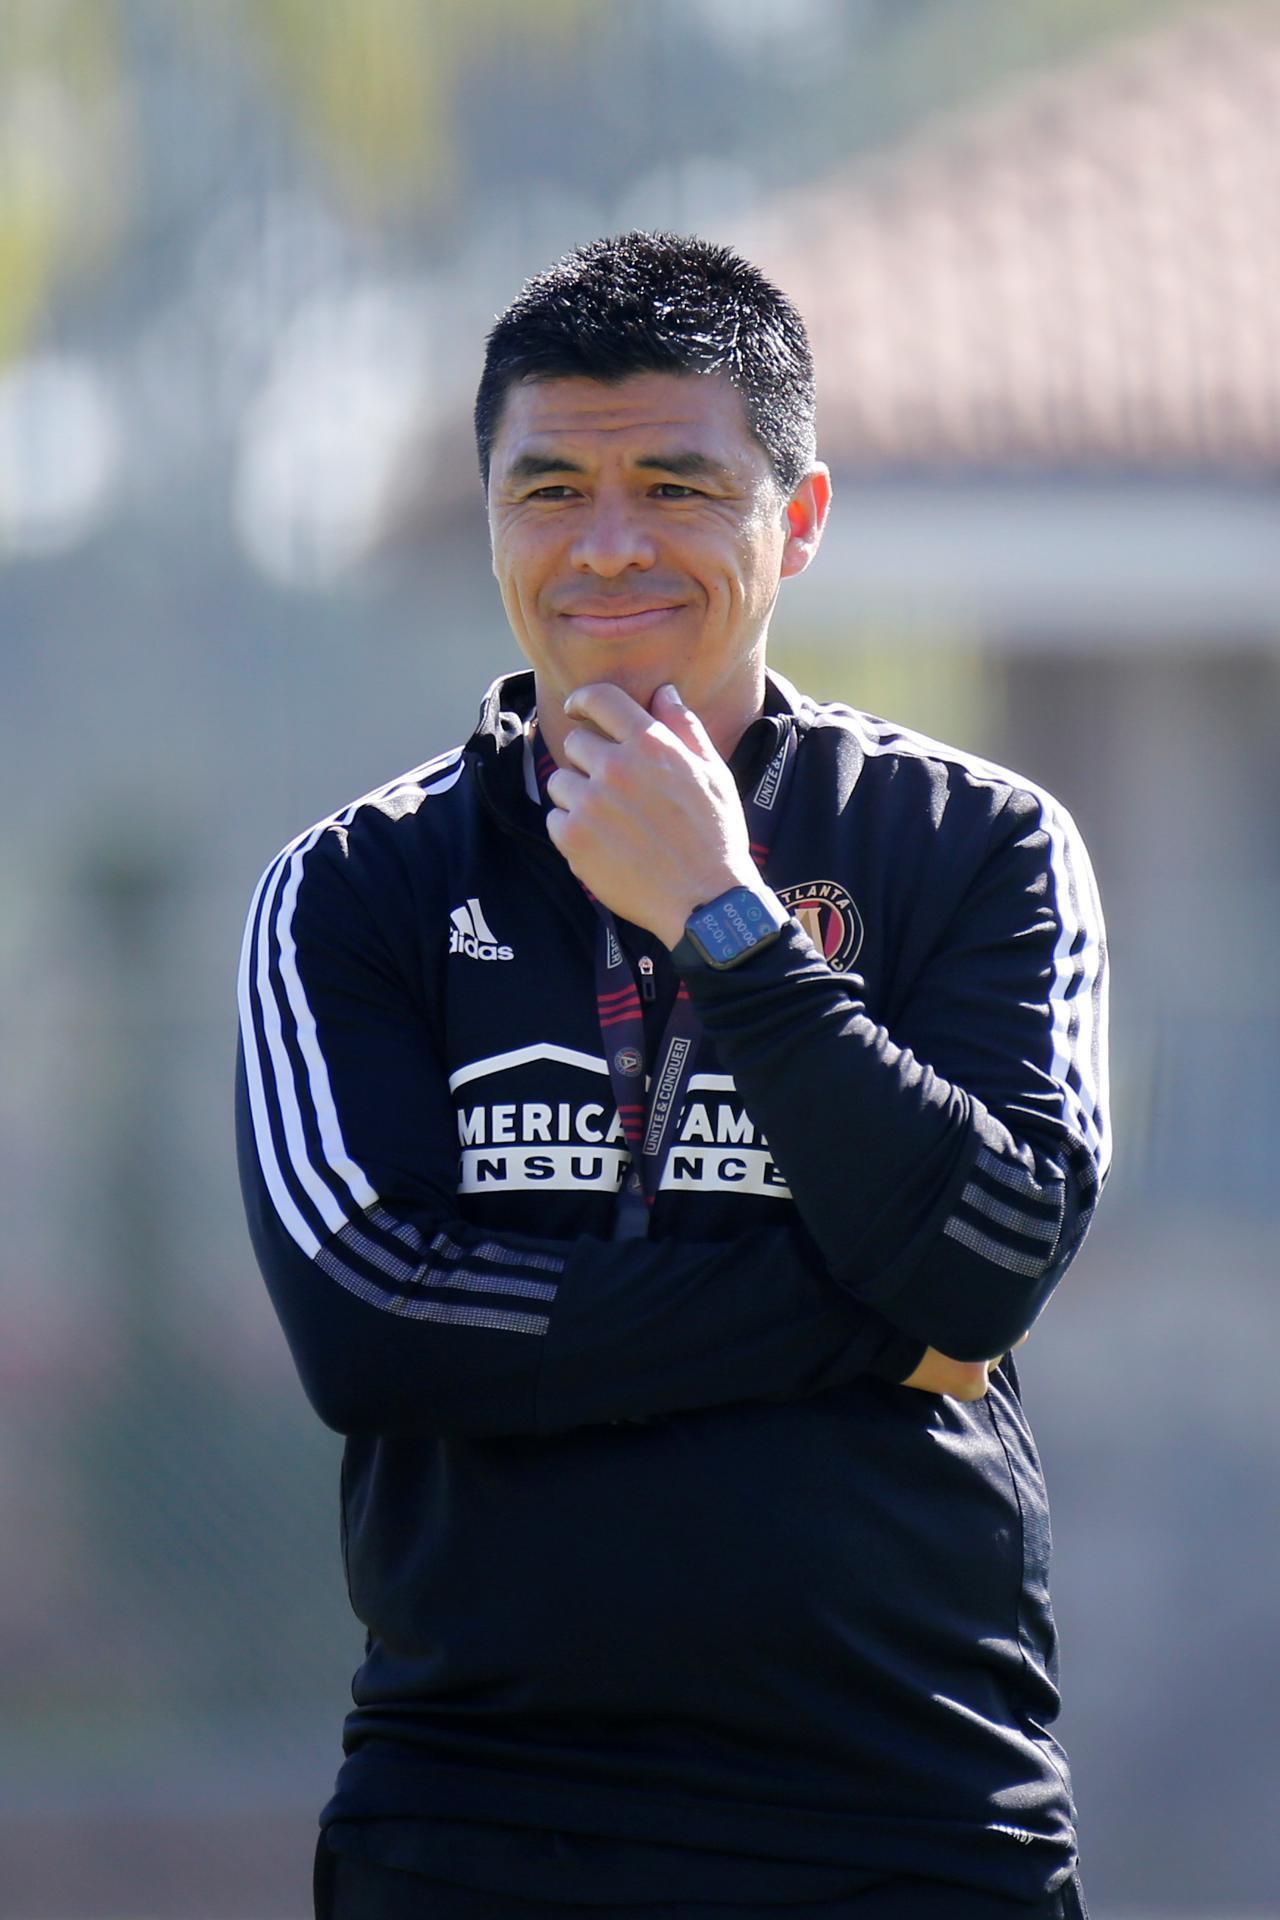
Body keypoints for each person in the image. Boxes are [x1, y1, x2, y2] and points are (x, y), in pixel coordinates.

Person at [236, 232, 1108, 1920]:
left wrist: (725, 924)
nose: (607, 542)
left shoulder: (978, 846)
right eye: (548, 485)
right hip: (475, 1823)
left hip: (913, 1820)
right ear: (492, 518)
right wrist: (874, 1316)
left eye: (677, 484)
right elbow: (373, 1323)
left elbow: (990, 1259)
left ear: (798, 518)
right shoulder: (354, 885)